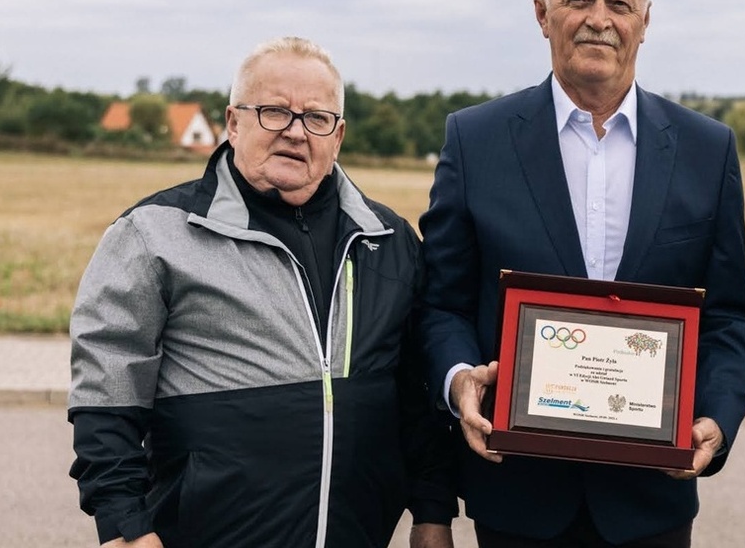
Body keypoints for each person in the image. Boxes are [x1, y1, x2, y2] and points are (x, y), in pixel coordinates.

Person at [417, 0, 745, 545]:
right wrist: (457, 380)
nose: (599, 18)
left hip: (651, 501)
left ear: (645, 21)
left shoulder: (708, 151)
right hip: (517, 495)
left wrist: (716, 417)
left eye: (619, 3)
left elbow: (729, 316)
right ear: (542, 13)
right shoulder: (475, 140)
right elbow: (441, 303)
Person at [68, 37, 456, 548]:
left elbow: (415, 392)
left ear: (337, 136)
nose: (296, 132)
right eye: (274, 112)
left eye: (316, 118)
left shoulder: (389, 240)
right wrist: (125, 526)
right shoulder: (156, 233)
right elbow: (107, 390)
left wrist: (432, 512)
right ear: (232, 122)